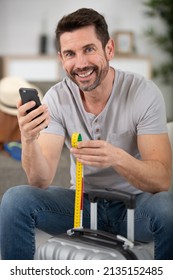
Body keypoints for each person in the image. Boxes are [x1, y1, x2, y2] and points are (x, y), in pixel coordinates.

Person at [0, 8, 173, 260]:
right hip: (81, 207)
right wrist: (28, 138)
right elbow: (40, 181)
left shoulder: (143, 93)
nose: (80, 64)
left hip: (135, 210)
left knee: (168, 208)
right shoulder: (57, 98)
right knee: (15, 200)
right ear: (61, 58)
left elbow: (161, 180)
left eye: (89, 49)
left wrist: (117, 157)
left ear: (109, 49)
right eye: (70, 54)